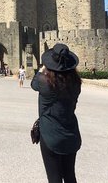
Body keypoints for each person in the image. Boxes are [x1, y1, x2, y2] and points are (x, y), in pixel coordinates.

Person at [31, 43, 82, 183]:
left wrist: (41, 70)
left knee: (54, 178)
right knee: (70, 176)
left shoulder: (44, 82)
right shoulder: (76, 82)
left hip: (50, 136)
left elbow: (33, 84)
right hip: (71, 134)